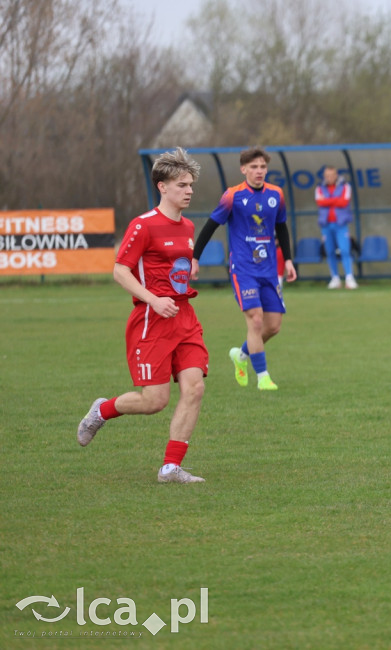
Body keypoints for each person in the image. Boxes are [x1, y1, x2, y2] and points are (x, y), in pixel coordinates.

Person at [76, 147, 208, 483]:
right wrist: (153, 300)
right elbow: (120, 271)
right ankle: (102, 410)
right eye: (182, 185)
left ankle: (170, 467)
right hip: (153, 321)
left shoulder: (189, 226)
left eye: (191, 184)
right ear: (162, 187)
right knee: (154, 401)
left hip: (185, 318)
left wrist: (188, 268)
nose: (189, 190)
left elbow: (171, 265)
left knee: (194, 389)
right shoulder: (143, 225)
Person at [192, 147, 297, 391]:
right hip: (243, 269)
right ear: (243, 169)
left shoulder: (276, 194)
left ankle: (241, 355)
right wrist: (195, 258)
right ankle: (263, 377)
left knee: (273, 326)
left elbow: (281, 227)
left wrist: (289, 259)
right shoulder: (233, 196)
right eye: (253, 167)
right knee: (256, 321)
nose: (259, 171)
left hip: (269, 270)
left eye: (262, 167)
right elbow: (210, 226)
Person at [315, 167, 357, 290]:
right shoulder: (319, 188)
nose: (329, 178)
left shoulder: (345, 186)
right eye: (327, 175)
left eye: (332, 175)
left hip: (341, 224)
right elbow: (319, 202)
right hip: (326, 225)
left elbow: (344, 202)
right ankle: (335, 278)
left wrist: (328, 201)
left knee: (345, 250)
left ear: (336, 175)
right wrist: (335, 200)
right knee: (329, 252)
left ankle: (349, 278)